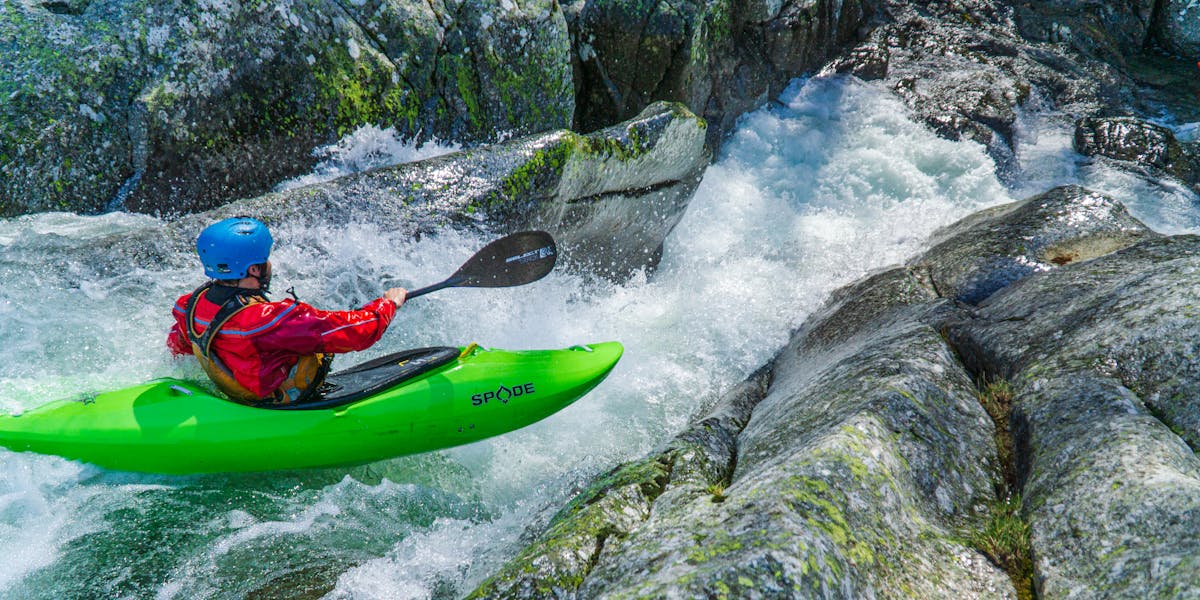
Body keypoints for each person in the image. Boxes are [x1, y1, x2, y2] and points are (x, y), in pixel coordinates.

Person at [167, 216, 407, 405]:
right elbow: (356, 332)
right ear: (253, 269)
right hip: (284, 402)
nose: (269, 264)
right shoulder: (269, 320)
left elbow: (179, 346)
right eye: (266, 259)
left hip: (239, 396)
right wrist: (388, 304)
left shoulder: (190, 305)